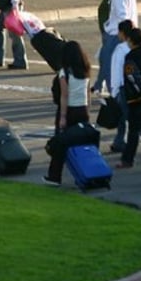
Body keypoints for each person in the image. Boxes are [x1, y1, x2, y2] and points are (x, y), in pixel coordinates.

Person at [43, 40, 92, 186]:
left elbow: (64, 95)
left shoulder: (64, 72)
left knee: (60, 144)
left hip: (70, 110)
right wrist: (88, 111)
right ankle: (86, 173)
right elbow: (88, 93)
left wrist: (63, 117)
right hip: (83, 110)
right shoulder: (86, 70)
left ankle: (54, 176)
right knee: (82, 144)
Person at [99, 0, 138, 95]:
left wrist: (122, 33)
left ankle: (114, 95)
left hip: (117, 32)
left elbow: (122, 14)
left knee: (110, 65)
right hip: (129, 29)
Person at [117, 27, 141, 169]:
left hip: (137, 99)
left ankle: (127, 159)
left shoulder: (131, 57)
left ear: (131, 40)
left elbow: (132, 77)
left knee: (134, 131)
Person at [108, 19, 133, 156]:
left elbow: (116, 71)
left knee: (125, 117)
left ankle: (120, 141)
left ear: (122, 33)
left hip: (123, 88)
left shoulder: (120, 49)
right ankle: (119, 141)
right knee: (126, 118)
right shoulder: (136, 47)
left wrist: (114, 90)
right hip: (135, 88)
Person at [92, 0, 112, 93]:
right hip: (106, 32)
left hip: (108, 32)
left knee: (105, 59)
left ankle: (101, 85)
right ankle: (99, 84)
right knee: (103, 59)